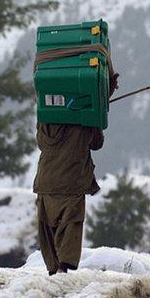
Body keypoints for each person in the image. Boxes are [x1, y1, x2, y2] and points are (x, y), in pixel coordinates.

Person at [32, 73, 119, 275]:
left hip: (47, 179)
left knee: (47, 225)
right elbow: (97, 144)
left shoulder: (46, 118)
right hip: (72, 180)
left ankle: (53, 268)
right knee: (70, 223)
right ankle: (64, 266)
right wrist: (99, 106)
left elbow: (41, 142)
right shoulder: (85, 119)